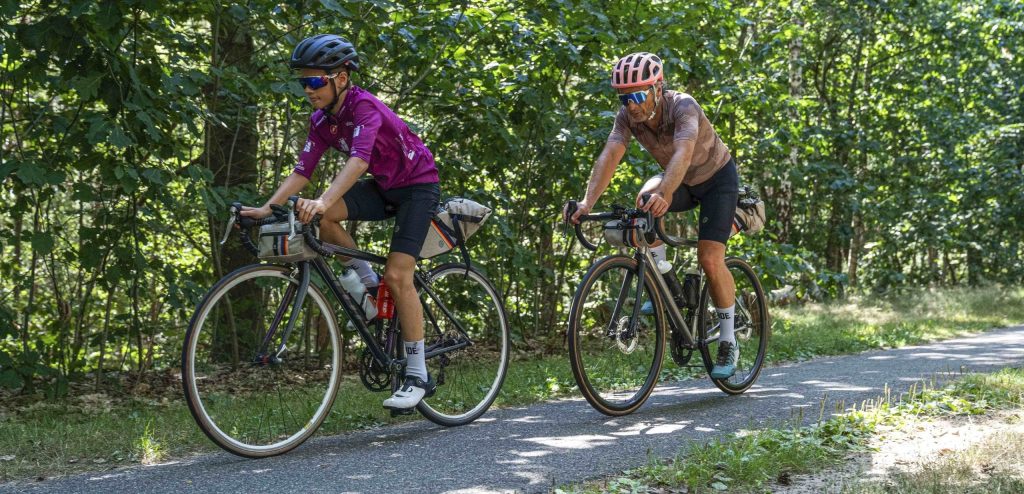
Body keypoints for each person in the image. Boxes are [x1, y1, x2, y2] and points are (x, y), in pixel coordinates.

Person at [241, 34, 440, 409]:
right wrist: (268, 208)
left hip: (417, 187)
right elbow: (302, 171)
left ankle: (417, 373)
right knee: (325, 220)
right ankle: (367, 291)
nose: (308, 88)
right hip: (384, 186)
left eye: (315, 81)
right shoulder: (321, 120)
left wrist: (322, 199)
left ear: (342, 78)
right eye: (303, 81)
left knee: (398, 276)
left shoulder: (365, 108)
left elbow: (359, 161)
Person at [566, 52, 742, 379]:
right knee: (643, 202)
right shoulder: (627, 117)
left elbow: (684, 150)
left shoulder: (683, 106)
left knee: (709, 258)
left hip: (717, 179)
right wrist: (587, 203)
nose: (630, 105)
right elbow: (611, 153)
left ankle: (729, 339)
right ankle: (664, 278)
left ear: (657, 88)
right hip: (682, 180)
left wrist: (666, 193)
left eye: (636, 95)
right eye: (623, 97)